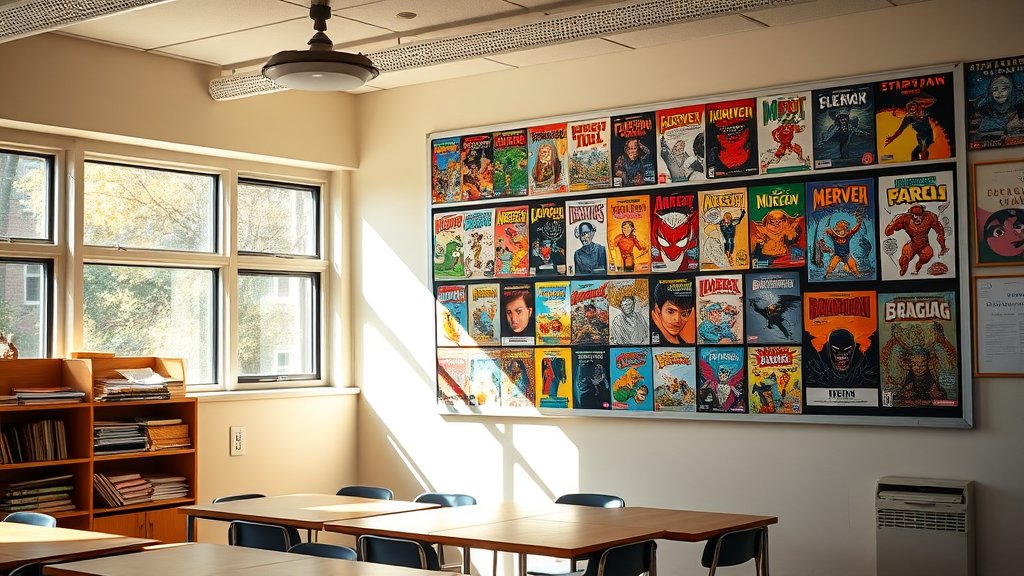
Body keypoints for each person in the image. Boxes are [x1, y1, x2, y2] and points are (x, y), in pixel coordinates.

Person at [884, 204, 948, 276]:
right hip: (913, 244)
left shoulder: (930, 217)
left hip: (924, 245)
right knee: (903, 261)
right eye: (915, 215)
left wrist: (943, 247)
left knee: (927, 256)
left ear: (923, 214)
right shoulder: (904, 219)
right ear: (910, 215)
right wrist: (891, 228)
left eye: (920, 215)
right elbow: (888, 231)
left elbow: (940, 232)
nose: (918, 218)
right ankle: (903, 272)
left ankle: (917, 268)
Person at [970, 74, 1024, 140]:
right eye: (995, 89)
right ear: (991, 90)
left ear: (1010, 90)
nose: (999, 92)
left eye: (1004, 89)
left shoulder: (1019, 100)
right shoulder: (983, 105)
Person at [883, 94, 937, 160]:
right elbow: (900, 130)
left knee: (922, 142)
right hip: (922, 136)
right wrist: (892, 138)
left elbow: (932, 101)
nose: (911, 108)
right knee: (914, 154)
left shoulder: (922, 110)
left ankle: (923, 155)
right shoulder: (908, 118)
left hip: (928, 135)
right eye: (910, 107)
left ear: (917, 106)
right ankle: (921, 157)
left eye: (913, 106)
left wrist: (916, 100)